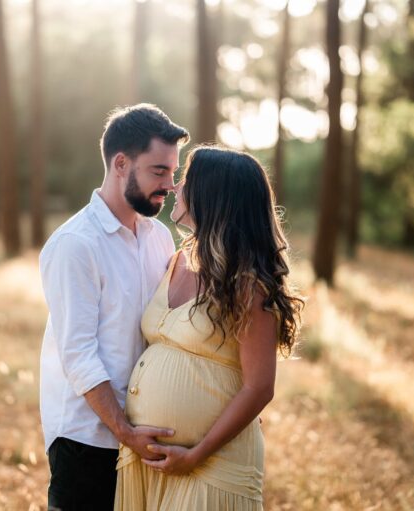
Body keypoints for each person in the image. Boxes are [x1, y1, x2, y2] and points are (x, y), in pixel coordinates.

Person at [114, 146, 304, 510]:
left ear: (212, 195)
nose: (174, 187)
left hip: (213, 466)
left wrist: (197, 453)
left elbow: (259, 387)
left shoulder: (249, 284)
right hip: (146, 462)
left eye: (185, 179)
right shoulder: (175, 261)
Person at [38, 104, 190, 510]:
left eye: (172, 173)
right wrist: (125, 431)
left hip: (145, 436)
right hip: (87, 439)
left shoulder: (159, 237)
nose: (169, 185)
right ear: (121, 164)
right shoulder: (75, 245)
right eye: (159, 171)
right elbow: (78, 355)